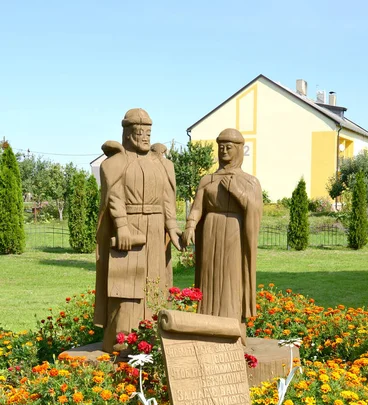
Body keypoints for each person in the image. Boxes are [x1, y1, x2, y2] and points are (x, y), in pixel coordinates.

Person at [94, 108, 181, 352]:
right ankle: (123, 337)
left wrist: (172, 227)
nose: (145, 137)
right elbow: (114, 195)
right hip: (130, 227)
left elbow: (167, 198)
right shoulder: (116, 163)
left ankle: (154, 334)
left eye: (148, 132)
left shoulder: (159, 164)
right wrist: (121, 225)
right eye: (139, 132)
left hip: (155, 228)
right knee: (127, 285)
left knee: (155, 281)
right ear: (128, 134)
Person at [182, 128, 262, 331]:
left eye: (229, 147)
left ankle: (233, 325)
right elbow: (198, 207)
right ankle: (207, 324)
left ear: (239, 150)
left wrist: (236, 191)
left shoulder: (249, 181)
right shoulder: (207, 180)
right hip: (210, 231)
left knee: (231, 278)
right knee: (209, 277)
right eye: (221, 147)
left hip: (234, 233)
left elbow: (254, 207)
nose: (224, 151)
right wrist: (191, 225)